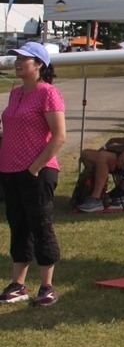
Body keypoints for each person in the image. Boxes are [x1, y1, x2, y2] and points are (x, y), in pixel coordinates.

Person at [0, 42, 67, 306]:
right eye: (16, 57)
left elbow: (59, 136)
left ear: (39, 64)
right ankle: (18, 284)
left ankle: (47, 286)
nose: (18, 62)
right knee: (18, 226)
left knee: (41, 226)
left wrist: (36, 167)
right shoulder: (15, 93)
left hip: (37, 171)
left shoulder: (48, 93)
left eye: (24, 59)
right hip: (10, 170)